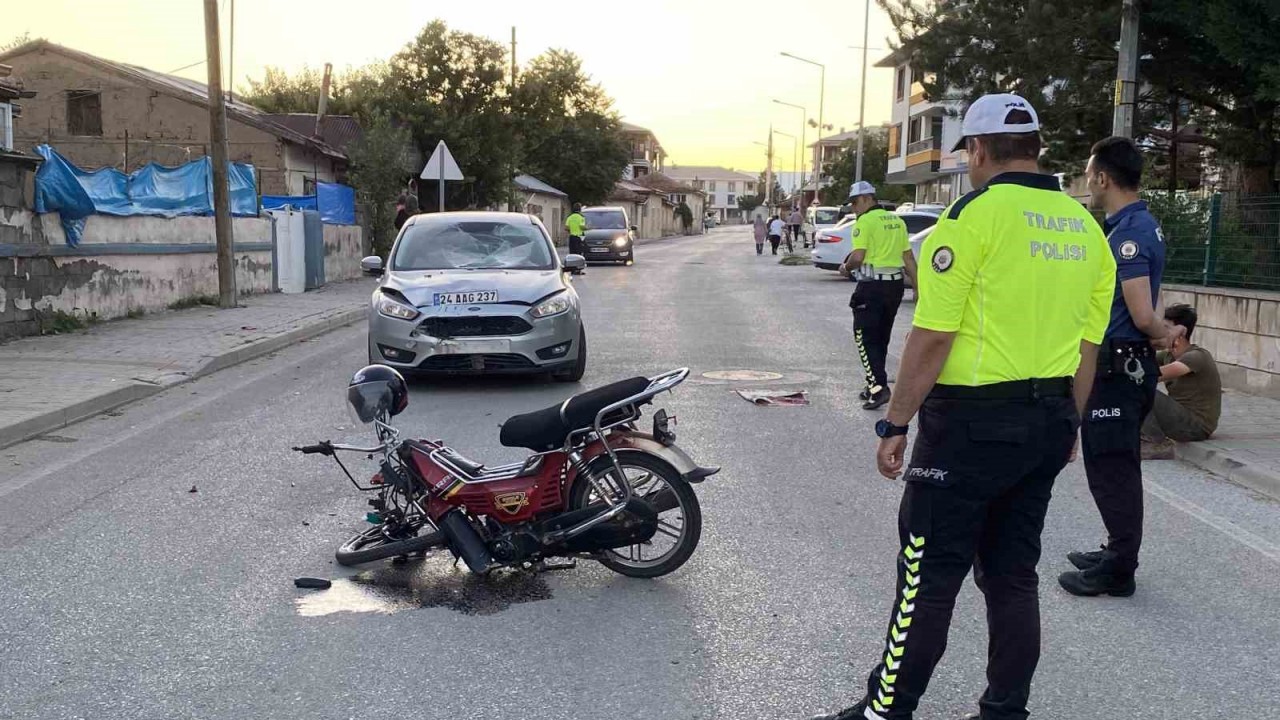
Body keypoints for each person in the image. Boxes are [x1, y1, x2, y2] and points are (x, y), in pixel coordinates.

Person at [808, 94, 1115, 720]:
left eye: (968, 155)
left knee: (927, 576)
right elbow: (1089, 348)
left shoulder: (968, 220)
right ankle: (1005, 710)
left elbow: (933, 336)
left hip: (969, 428)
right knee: (1013, 575)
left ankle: (886, 710)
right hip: (1050, 419)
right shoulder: (1086, 228)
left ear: (977, 150)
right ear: (1035, 149)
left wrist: (895, 422)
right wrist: (1071, 424)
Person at [1060, 137, 1168, 599]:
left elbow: (1142, 314)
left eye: (1089, 173)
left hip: (1119, 365)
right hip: (1125, 364)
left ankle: (1119, 569)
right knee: (1114, 464)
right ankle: (1115, 551)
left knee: (1112, 468)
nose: (1087, 181)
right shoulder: (1141, 225)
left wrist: (1166, 334)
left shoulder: (1127, 236)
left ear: (1103, 177)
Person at [838, 181, 915, 411]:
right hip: (894, 287)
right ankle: (872, 384)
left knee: (864, 338)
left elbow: (858, 257)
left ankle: (878, 388)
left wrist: (845, 267)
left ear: (866, 199)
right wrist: (918, 289)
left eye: (854, 203)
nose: (853, 208)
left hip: (871, 288)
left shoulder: (865, 222)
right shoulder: (896, 220)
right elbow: (908, 258)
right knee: (881, 338)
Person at [1140, 304, 1222, 457]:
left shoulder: (1197, 356)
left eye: (1166, 328)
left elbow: (1154, 375)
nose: (1160, 331)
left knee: (1141, 389)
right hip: (1179, 417)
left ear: (1180, 332)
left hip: (1197, 426)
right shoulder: (1168, 355)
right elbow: (1143, 360)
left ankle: (1156, 443)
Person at [564, 203, 587, 275]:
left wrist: (571, 230)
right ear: (580, 209)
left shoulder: (569, 217)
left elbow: (566, 227)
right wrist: (588, 228)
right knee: (579, 254)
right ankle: (578, 270)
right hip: (579, 237)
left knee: (572, 253)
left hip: (572, 237)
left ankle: (573, 270)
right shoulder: (581, 217)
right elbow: (582, 226)